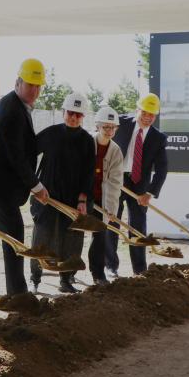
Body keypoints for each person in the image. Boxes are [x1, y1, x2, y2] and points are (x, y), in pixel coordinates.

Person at [0, 58, 51, 295]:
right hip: (0, 189)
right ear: (18, 83)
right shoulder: (11, 109)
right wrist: (36, 186)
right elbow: (16, 156)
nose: (35, 91)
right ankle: (18, 294)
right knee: (15, 239)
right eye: (31, 85)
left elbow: (24, 147)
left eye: (38, 86)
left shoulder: (17, 106)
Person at [29, 92, 95, 293]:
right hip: (47, 195)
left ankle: (66, 280)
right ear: (63, 112)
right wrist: (33, 183)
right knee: (42, 237)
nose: (73, 117)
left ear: (83, 116)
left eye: (78, 114)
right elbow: (28, 154)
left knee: (72, 239)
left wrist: (83, 199)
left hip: (73, 198)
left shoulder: (86, 140)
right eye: (70, 113)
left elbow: (88, 172)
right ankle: (35, 278)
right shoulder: (50, 133)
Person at [105, 93, 168, 276]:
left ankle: (139, 270)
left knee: (138, 226)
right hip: (117, 179)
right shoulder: (119, 123)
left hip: (140, 185)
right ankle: (110, 266)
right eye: (145, 112)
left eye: (152, 115)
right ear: (137, 109)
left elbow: (162, 169)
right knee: (112, 221)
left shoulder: (158, 138)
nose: (148, 117)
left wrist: (150, 192)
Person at [88, 106, 124, 285]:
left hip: (100, 199)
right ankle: (68, 275)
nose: (109, 131)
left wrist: (110, 209)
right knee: (74, 235)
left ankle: (98, 274)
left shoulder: (116, 151)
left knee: (100, 235)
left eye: (113, 128)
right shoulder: (86, 142)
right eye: (105, 127)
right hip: (82, 197)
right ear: (97, 126)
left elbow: (115, 183)